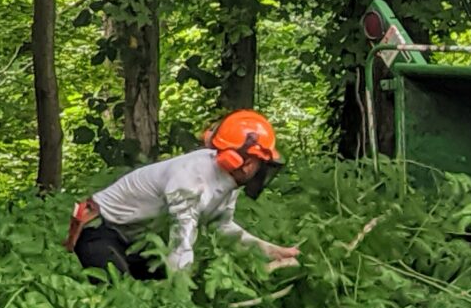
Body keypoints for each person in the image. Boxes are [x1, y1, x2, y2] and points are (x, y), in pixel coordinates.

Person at [66, 110, 301, 280]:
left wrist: (272, 251)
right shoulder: (191, 180)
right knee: (121, 295)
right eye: (262, 163)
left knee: (172, 279)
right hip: (101, 233)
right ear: (248, 163)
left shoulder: (227, 181)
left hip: (139, 243)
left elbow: (224, 228)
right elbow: (182, 243)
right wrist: (182, 300)